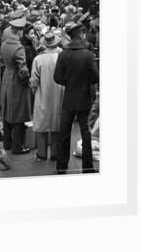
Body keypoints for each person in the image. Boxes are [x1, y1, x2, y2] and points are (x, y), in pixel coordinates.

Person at [53, 21, 99, 174]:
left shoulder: (63, 54)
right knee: (86, 133)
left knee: (64, 132)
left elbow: (57, 78)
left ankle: (61, 166)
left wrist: (70, 82)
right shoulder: (88, 55)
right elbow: (94, 78)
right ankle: (87, 166)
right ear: (80, 35)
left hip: (69, 98)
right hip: (84, 99)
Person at [30, 31, 64, 160]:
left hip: (42, 93)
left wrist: (34, 92)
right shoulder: (60, 56)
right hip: (59, 93)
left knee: (42, 125)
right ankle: (55, 153)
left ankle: (42, 153)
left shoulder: (38, 59)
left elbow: (34, 80)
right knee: (56, 123)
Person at [0, 18, 32, 154]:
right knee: (19, 112)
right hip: (16, 81)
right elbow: (23, 69)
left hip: (6, 77)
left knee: (7, 111)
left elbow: (1, 60)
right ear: (19, 32)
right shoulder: (19, 47)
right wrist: (27, 82)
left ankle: (7, 143)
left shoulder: (4, 44)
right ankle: (17, 146)